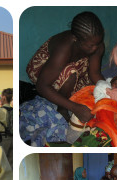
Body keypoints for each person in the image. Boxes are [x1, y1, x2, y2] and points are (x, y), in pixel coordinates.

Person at [20, 11, 105, 146]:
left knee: (91, 89)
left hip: (69, 68)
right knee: (70, 73)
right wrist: (74, 107)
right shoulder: (64, 48)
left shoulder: (96, 45)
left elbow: (94, 73)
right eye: (90, 45)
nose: (95, 48)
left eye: (98, 43)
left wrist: (108, 90)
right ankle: (62, 108)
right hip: (43, 71)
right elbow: (42, 86)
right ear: (77, 39)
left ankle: (67, 97)